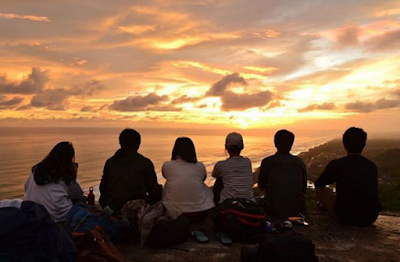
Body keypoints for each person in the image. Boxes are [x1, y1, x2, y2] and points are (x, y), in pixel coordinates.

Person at [314, 127, 381, 227]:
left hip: (345, 216)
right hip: (370, 217)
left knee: (319, 189)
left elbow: (319, 184)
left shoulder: (337, 164)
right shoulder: (371, 166)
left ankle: (324, 207)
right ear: (364, 145)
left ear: (344, 144)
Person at [99, 128, 162, 214]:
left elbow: (103, 188)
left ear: (120, 143)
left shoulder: (110, 162)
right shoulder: (144, 163)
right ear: (138, 144)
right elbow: (154, 191)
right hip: (136, 209)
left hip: (113, 207)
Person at [24, 141, 83, 223]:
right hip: (59, 217)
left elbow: (26, 187)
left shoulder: (37, 170)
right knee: (82, 206)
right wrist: (74, 175)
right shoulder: (66, 174)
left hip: (33, 213)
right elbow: (78, 195)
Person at [162, 137, 215, 222]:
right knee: (202, 185)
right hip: (200, 213)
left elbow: (165, 176)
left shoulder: (167, 165)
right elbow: (203, 179)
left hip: (174, 213)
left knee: (168, 184)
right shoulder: (200, 166)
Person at [258, 130, 307, 218]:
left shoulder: (267, 162)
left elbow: (261, 184)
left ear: (275, 143)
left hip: (272, 209)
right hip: (297, 209)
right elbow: (303, 189)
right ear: (291, 144)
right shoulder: (299, 162)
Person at [212, 132, 255, 204]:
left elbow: (214, 175)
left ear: (226, 147)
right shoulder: (247, 162)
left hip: (229, 204)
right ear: (242, 147)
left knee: (219, 179)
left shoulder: (221, 165)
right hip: (250, 203)